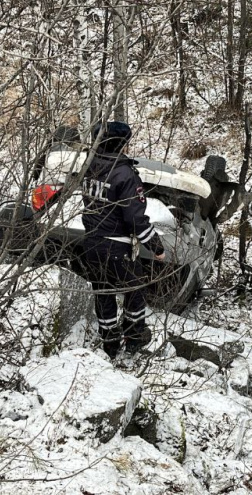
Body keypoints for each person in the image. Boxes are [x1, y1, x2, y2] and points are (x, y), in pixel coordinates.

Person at [81, 121, 166, 358]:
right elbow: (136, 219)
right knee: (135, 288)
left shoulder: (90, 166)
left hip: (92, 243)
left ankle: (110, 343)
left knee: (103, 291)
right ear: (120, 144)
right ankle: (135, 336)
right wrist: (156, 247)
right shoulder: (125, 174)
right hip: (117, 246)